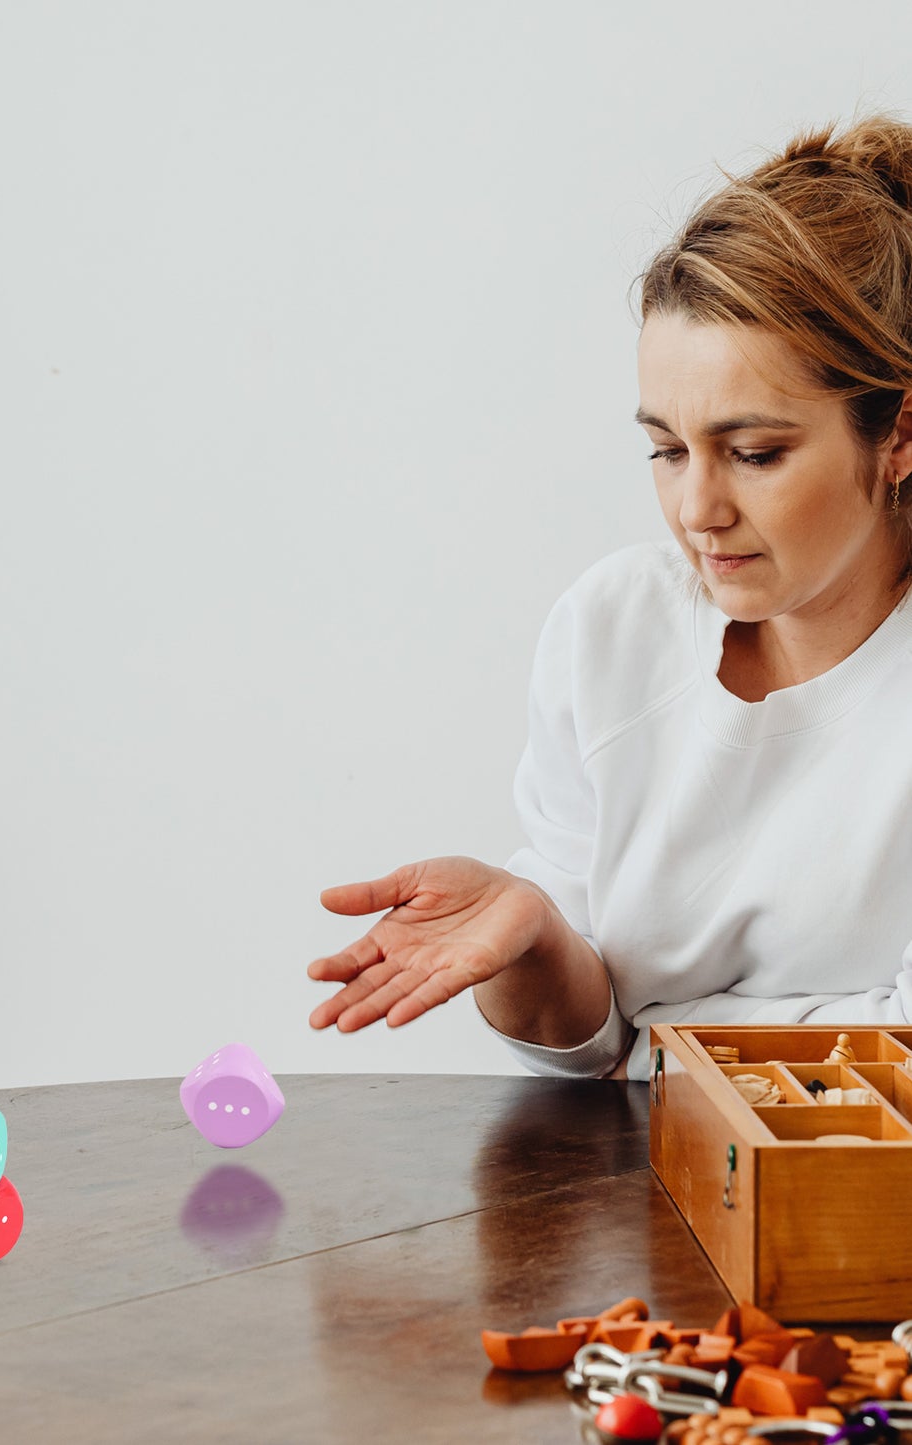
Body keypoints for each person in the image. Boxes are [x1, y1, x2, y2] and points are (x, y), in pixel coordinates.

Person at [308, 114, 912, 1082]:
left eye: (752, 453)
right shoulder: (611, 633)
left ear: (896, 435)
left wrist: (655, 1032)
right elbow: (591, 1049)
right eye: (666, 451)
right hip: (632, 1207)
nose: (695, 508)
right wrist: (537, 942)